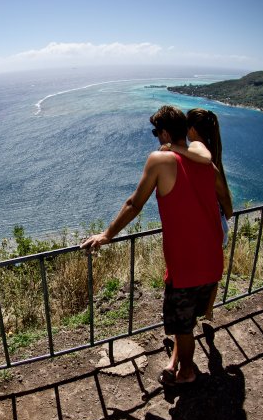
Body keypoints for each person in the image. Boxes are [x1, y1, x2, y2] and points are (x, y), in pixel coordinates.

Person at [81, 105, 224, 385]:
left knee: (182, 325)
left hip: (187, 263)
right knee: (186, 320)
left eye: (156, 132)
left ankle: (187, 373)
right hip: (211, 257)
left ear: (165, 133)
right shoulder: (204, 160)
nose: (156, 138)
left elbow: (134, 204)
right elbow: (219, 193)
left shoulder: (161, 160)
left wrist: (107, 235)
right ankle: (176, 362)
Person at [160, 108, 233, 321]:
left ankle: (190, 315)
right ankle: (208, 311)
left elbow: (204, 157)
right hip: (218, 220)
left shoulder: (197, 147)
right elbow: (224, 198)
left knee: (193, 271)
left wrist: (172, 146)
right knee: (211, 270)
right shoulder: (211, 150)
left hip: (210, 222)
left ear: (191, 129)